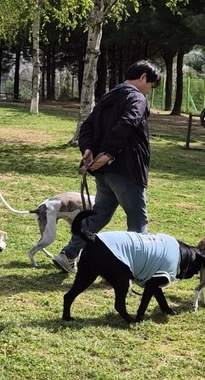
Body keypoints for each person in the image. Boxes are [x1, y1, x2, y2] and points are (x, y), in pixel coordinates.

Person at [52, 59, 162, 273]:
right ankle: (139, 268)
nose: (150, 91)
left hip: (104, 172)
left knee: (99, 214)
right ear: (142, 78)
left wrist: (88, 149)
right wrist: (108, 153)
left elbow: (88, 125)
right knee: (138, 221)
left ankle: (68, 254)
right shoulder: (136, 97)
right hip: (126, 170)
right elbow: (128, 123)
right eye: (151, 85)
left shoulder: (109, 96)